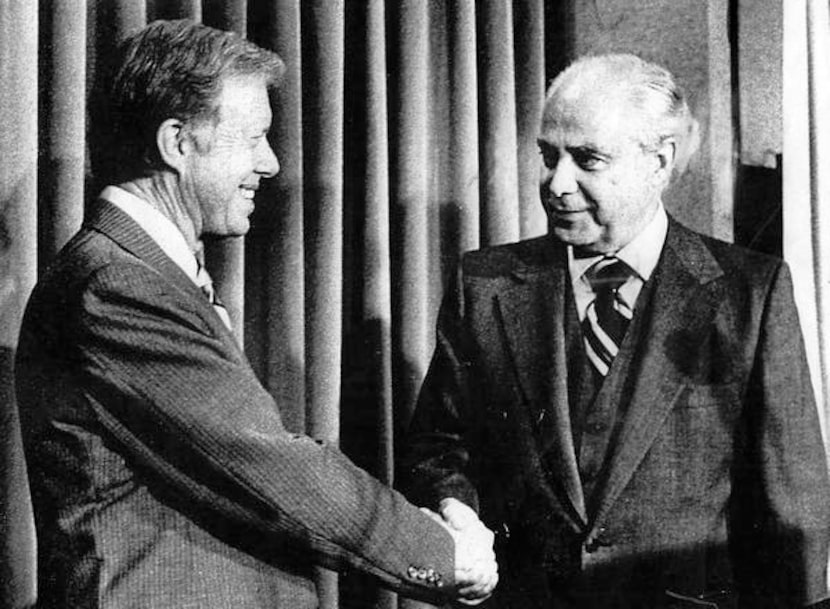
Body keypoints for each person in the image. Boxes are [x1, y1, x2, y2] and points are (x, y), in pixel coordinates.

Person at [15, 19, 498, 609]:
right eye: (253, 139)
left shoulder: (137, 270)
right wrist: (443, 556)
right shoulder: (119, 284)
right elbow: (272, 468)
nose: (270, 163)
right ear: (177, 142)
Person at [398, 53, 830, 609]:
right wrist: (455, 510)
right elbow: (436, 449)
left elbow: (793, 512)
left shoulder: (749, 292)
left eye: (588, 159)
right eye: (547, 156)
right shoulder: (484, 285)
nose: (557, 182)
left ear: (660, 161)